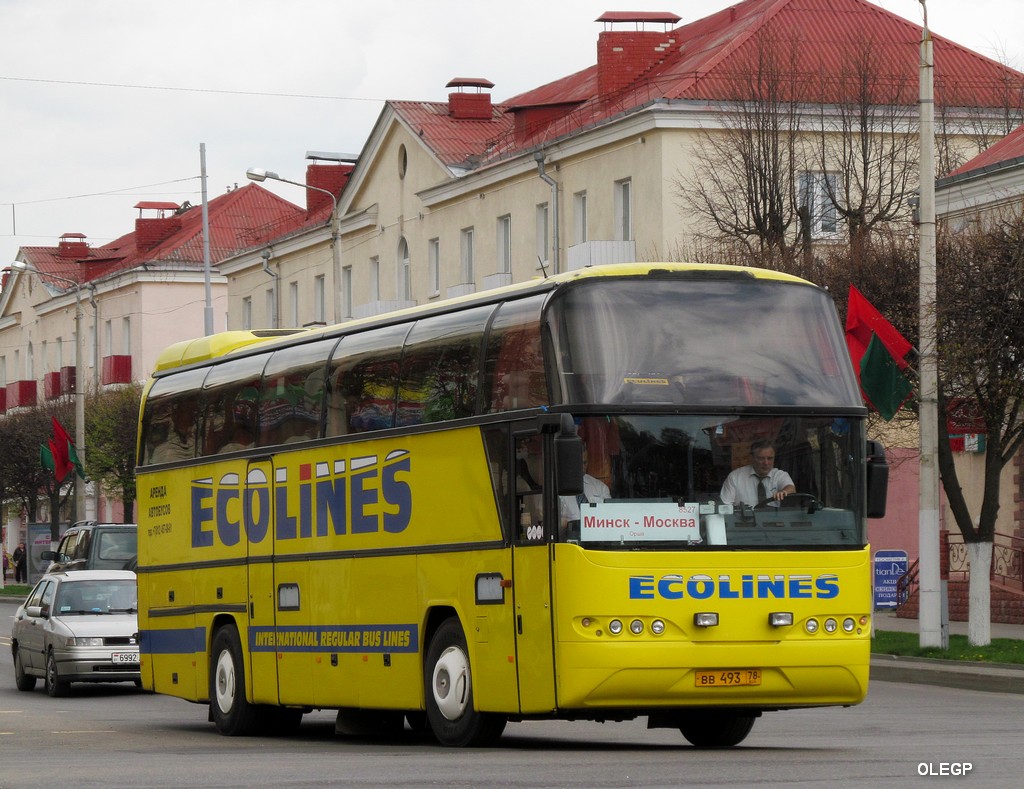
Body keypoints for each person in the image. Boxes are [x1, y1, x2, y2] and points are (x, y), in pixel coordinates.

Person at [720, 440, 795, 508]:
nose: (766, 463)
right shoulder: (735, 477)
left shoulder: (779, 475)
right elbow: (725, 506)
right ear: (751, 458)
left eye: (770, 458)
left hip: (774, 521)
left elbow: (791, 488)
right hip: (744, 521)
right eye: (761, 458)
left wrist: (784, 492)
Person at [559, 443, 611, 532]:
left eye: (584, 462)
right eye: (577, 462)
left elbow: (610, 517)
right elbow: (549, 522)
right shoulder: (556, 488)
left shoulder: (600, 487)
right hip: (568, 539)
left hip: (598, 536)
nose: (582, 466)